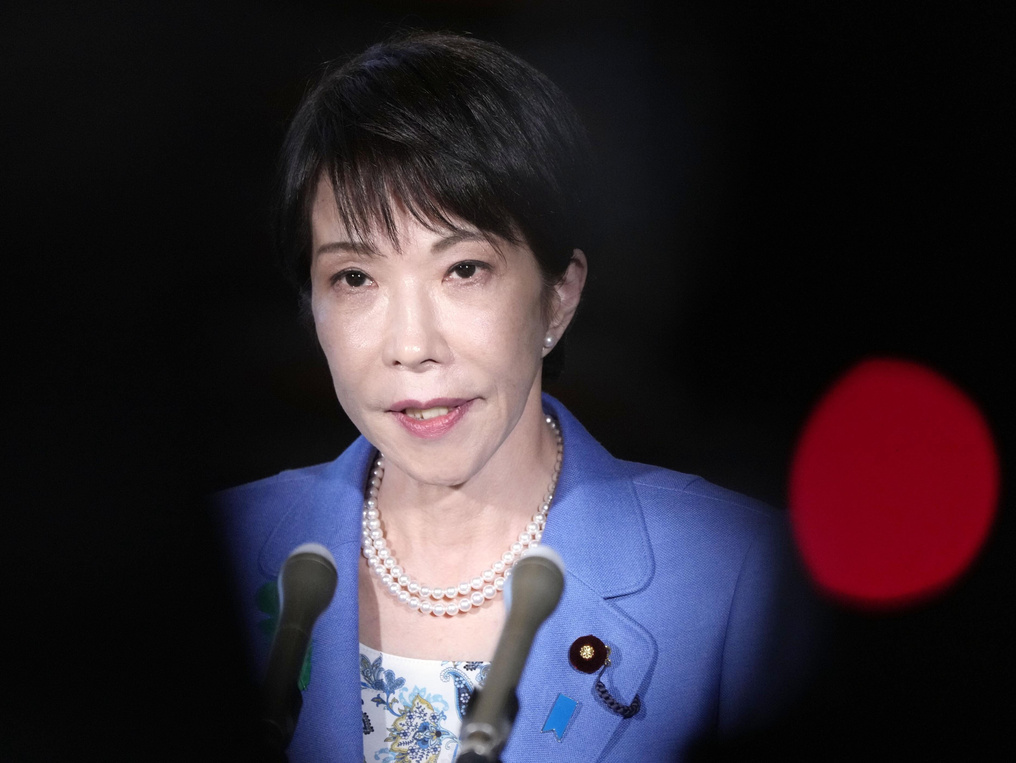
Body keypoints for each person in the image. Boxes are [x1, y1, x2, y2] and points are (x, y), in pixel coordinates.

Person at [215, 31, 818, 763]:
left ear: (558, 297)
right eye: (356, 278)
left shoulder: (742, 576)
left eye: (464, 269)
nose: (412, 344)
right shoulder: (218, 549)